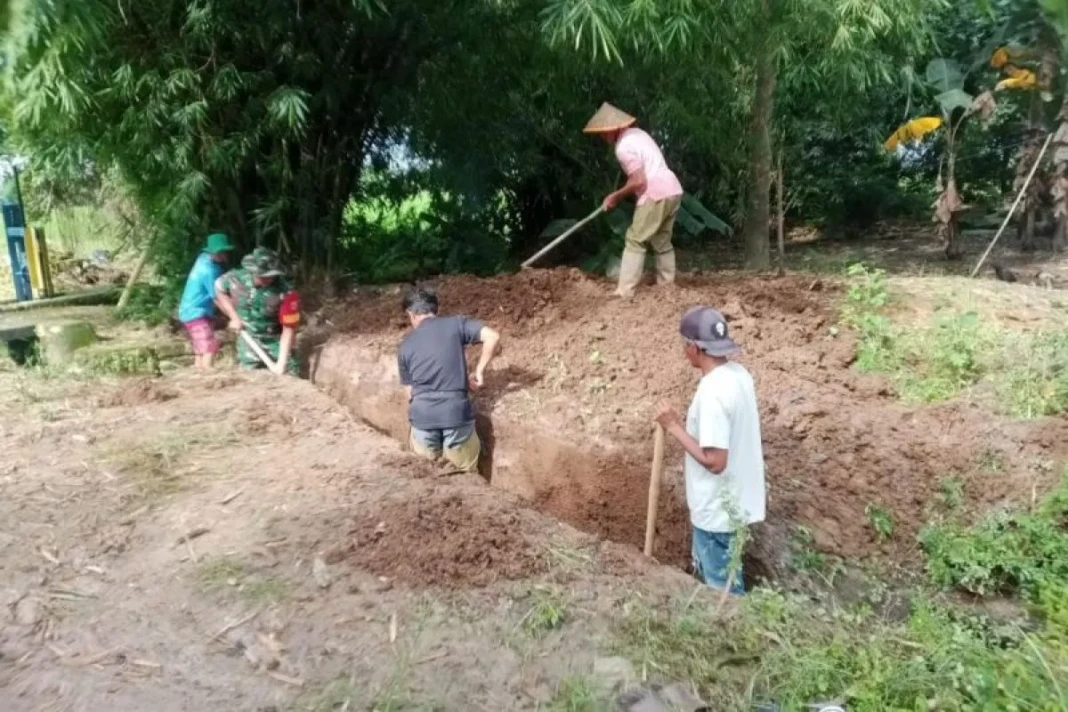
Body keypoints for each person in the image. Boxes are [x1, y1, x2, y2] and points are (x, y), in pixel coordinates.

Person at [654, 306, 766, 594]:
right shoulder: (739, 375)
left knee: (723, 595)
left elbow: (715, 461)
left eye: (684, 346)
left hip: (717, 514)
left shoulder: (713, 393)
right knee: (723, 580)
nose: (684, 352)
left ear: (695, 348)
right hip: (736, 505)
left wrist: (674, 427)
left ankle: (733, 635)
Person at [583, 102, 684, 299]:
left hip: (655, 193)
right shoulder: (639, 134)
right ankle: (666, 286)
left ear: (614, 129)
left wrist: (615, 196)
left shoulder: (623, 147)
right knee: (662, 240)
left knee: (635, 239)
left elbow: (639, 180)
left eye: (604, 133)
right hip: (673, 189)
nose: (603, 137)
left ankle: (624, 291)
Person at [398, 286, 501, 473]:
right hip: (455, 414)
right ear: (436, 310)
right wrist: (478, 371)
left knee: (427, 478)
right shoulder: (456, 324)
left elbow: (410, 393)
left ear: (411, 314)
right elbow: (492, 336)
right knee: (463, 480)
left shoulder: (405, 345)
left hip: (423, 418)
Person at [214, 247, 300, 376]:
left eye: (271, 276)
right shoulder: (236, 278)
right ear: (253, 271)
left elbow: (289, 329)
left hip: (274, 340)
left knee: (291, 372)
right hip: (248, 339)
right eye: (263, 276)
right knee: (249, 379)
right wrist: (234, 317)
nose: (268, 280)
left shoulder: (287, 293)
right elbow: (218, 289)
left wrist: (281, 365)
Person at [178, 233, 235, 369]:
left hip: (190, 311)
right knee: (209, 346)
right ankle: (208, 375)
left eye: (224, 252)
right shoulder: (208, 270)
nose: (223, 256)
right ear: (212, 252)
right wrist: (233, 316)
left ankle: (199, 373)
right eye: (220, 253)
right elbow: (217, 297)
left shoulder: (203, 259)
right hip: (196, 313)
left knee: (200, 349)